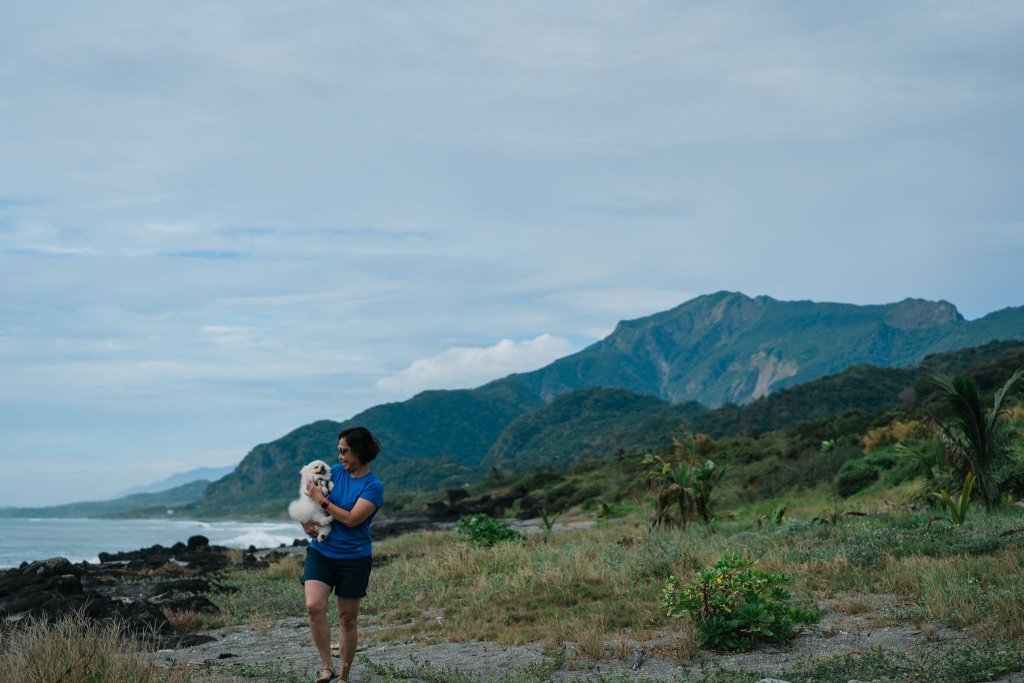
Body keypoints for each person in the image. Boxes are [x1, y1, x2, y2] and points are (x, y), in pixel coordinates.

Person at [299, 426, 384, 683]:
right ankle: (327, 667)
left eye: (344, 451)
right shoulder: (331, 474)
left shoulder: (372, 486)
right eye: (339, 451)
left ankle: (344, 676)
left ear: (358, 451)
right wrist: (306, 523)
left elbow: (350, 519)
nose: (340, 456)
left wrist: (322, 500)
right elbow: (309, 501)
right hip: (322, 552)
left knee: (347, 619)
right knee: (314, 607)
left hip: (354, 558)